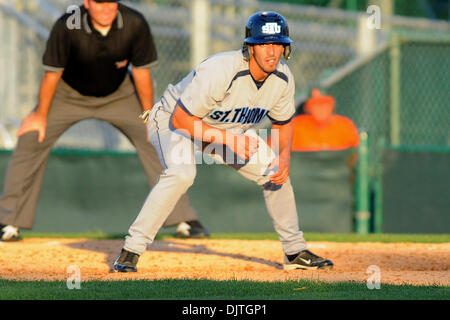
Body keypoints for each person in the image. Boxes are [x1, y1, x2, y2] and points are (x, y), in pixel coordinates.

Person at [113, 11, 334, 272]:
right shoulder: (221, 70)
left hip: (226, 131)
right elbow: (183, 120)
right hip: (173, 120)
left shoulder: (283, 79)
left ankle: (294, 252)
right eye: (263, 44)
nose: (271, 52)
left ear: (286, 48)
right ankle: (131, 250)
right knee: (182, 173)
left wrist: (284, 156)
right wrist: (228, 140)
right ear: (250, 48)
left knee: (275, 171)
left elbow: (283, 124)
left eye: (277, 44)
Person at [0, 0, 209, 242]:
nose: (107, 9)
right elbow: (52, 74)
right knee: (31, 136)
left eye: (111, 2)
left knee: (157, 139)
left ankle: (184, 219)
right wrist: (40, 116)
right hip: (68, 93)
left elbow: (141, 73)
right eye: (100, 3)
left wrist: (149, 115)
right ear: (87, 3)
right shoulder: (68, 25)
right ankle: (8, 221)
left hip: (119, 93)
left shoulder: (134, 22)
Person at [291, 89, 359, 152]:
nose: (321, 108)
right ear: (307, 108)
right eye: (316, 105)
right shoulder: (296, 126)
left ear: (332, 106)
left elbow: (354, 155)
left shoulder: (345, 125)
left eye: (325, 104)